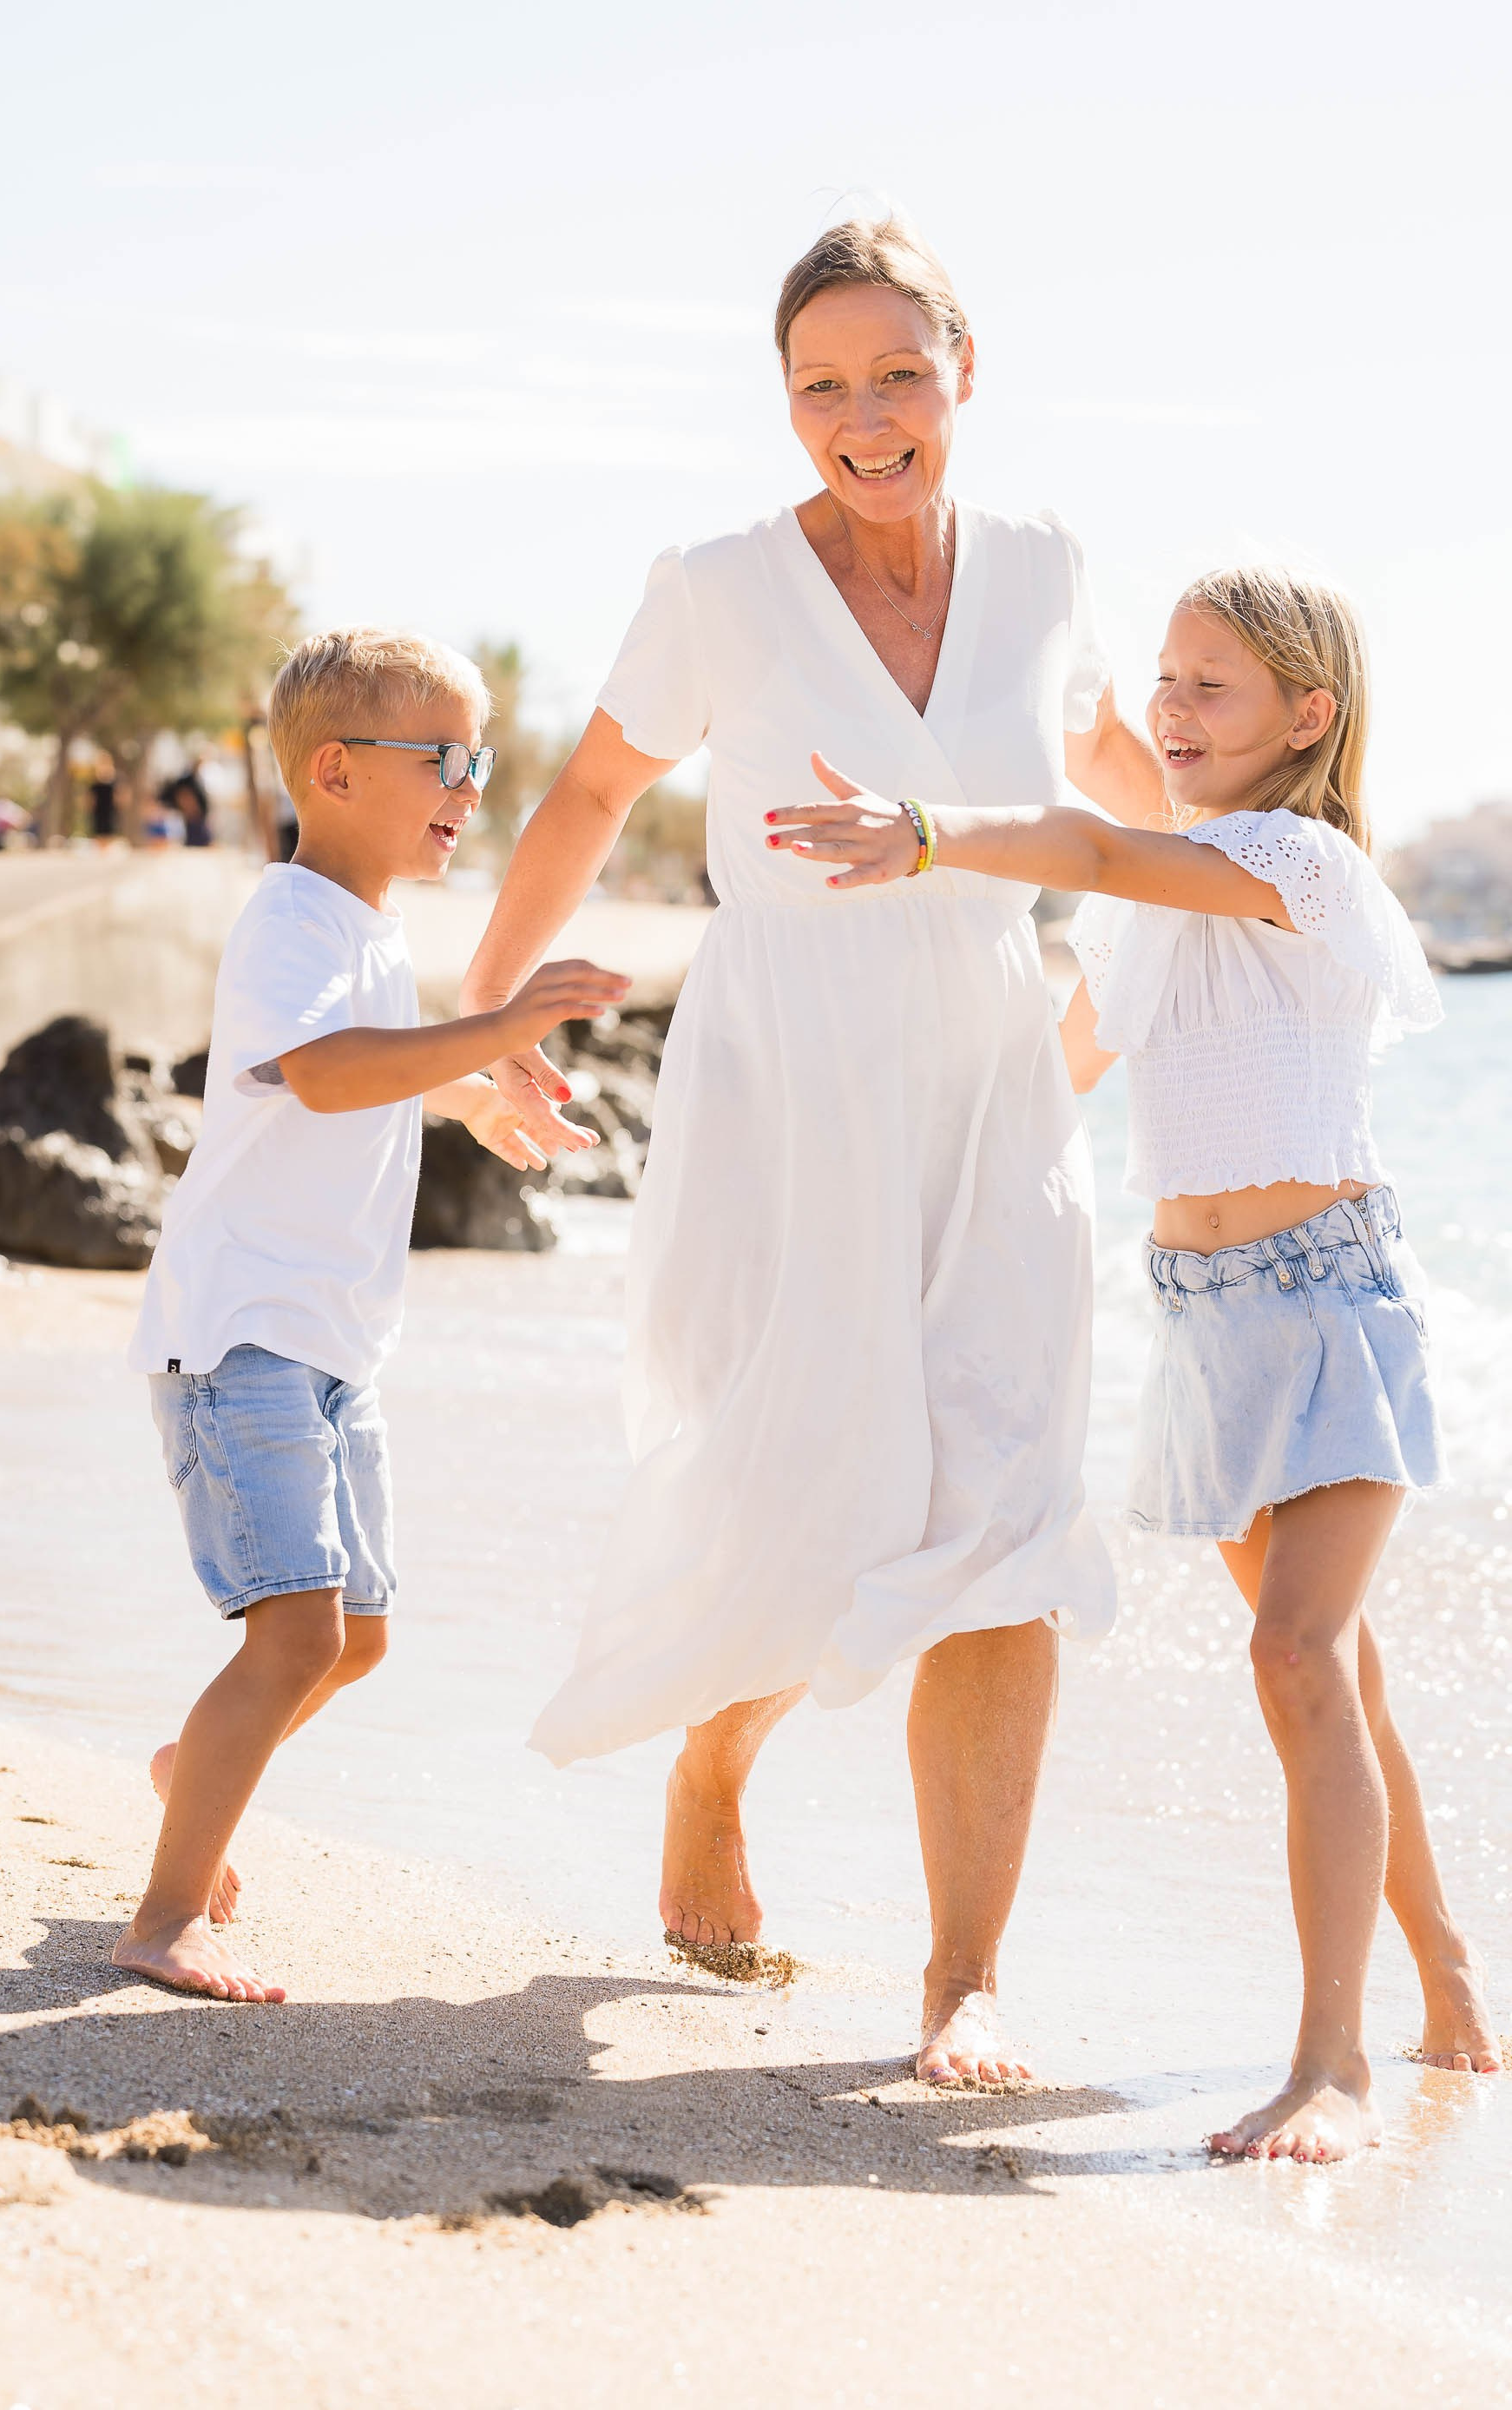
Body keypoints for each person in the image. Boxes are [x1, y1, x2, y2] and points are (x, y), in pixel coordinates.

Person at [461, 214, 1166, 2084]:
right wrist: (482, 1027)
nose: (862, 420)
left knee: (1006, 1509)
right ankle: (713, 1761)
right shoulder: (716, 585)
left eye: (897, 376)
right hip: (788, 1080)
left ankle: (962, 1984)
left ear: (963, 374)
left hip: (997, 1080)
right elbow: (591, 792)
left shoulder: (1046, 567)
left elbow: (1122, 783)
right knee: (807, 1479)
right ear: (785, 404)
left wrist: (1243, 923)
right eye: (820, 387)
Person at [771, 563, 1501, 2158]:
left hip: (1328, 1305)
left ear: (1309, 717)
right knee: (1337, 1670)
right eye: (1163, 683)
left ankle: (1336, 2068)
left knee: (1296, 1662)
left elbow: (1101, 839)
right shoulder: (1157, 912)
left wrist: (935, 829)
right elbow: (1056, 1065)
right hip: (1207, 1317)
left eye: (1210, 688)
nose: (1170, 712)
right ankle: (1448, 1971)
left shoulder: (1288, 857)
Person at [117, 626, 628, 1999]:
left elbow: (375, 1079)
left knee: (357, 1634)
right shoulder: (291, 921)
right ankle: (167, 1914)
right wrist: (498, 1028)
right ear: (334, 771)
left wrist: (484, 1097)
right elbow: (330, 1074)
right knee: (296, 1634)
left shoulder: (366, 928)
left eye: (484, 762)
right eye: (445, 760)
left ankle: (196, 1772)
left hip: (331, 1347)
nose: (471, 788)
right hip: (244, 1337)